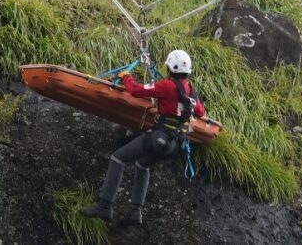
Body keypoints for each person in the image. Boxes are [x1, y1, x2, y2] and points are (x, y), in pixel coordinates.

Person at [79, 50, 207, 225]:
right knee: (141, 165)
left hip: (159, 139)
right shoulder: (192, 93)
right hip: (176, 146)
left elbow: (135, 90)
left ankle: (104, 205)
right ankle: (135, 211)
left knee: (118, 158)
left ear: (170, 68)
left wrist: (126, 77)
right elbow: (200, 112)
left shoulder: (167, 86)